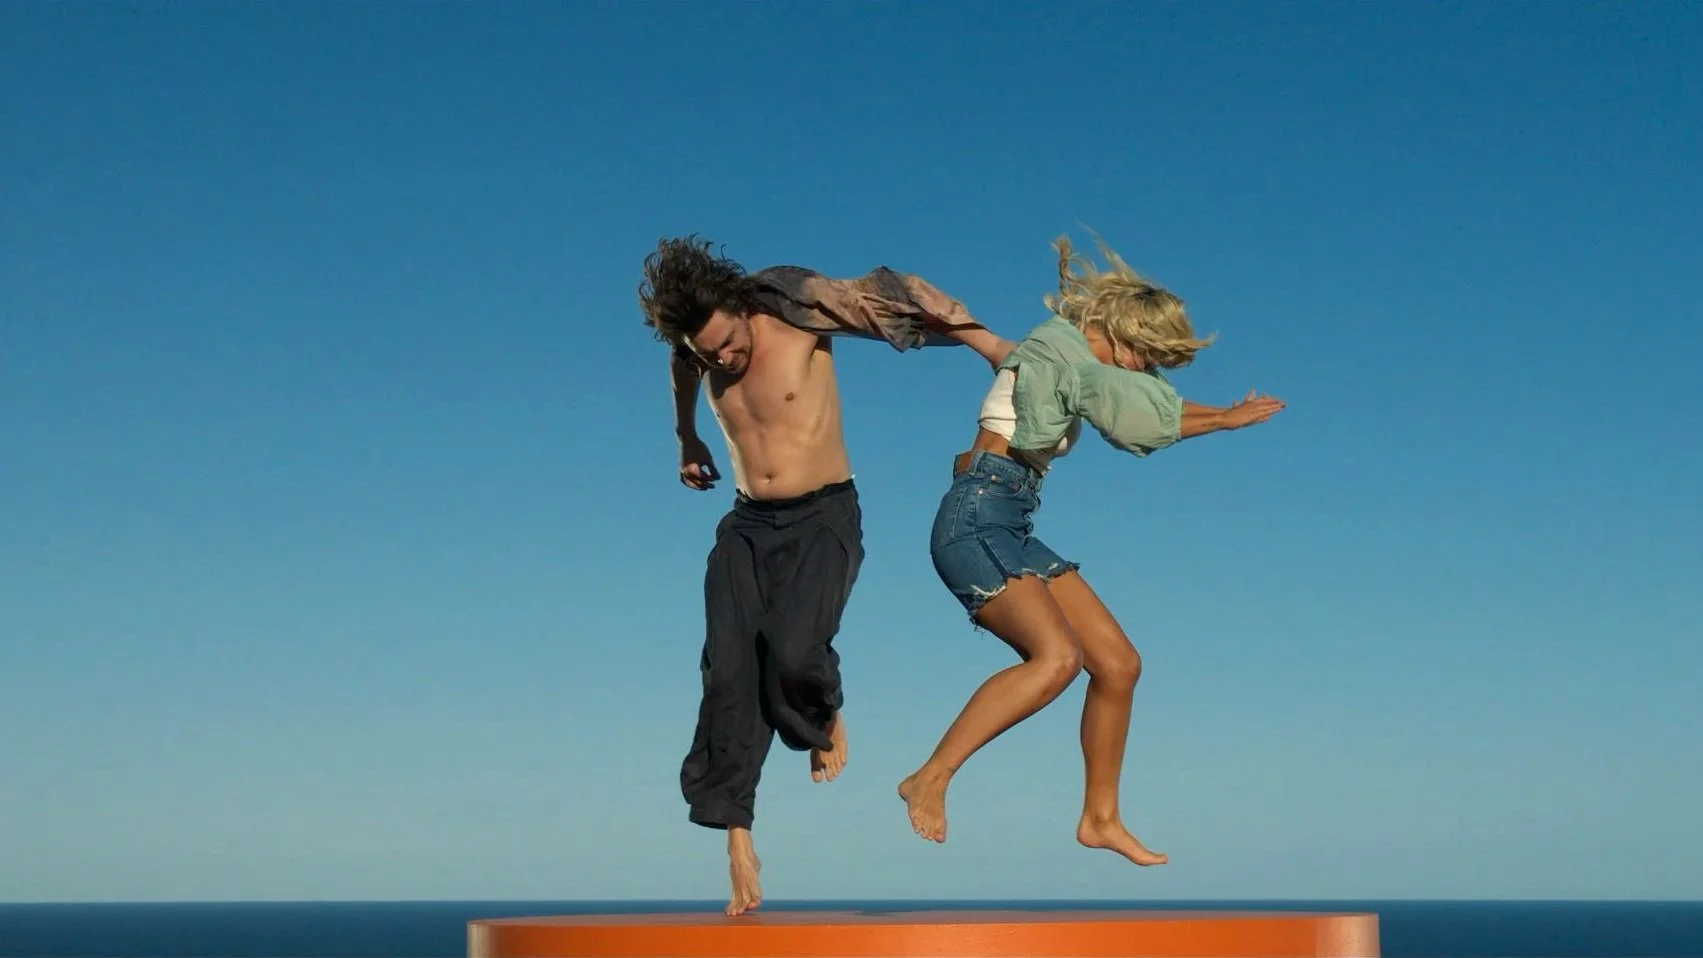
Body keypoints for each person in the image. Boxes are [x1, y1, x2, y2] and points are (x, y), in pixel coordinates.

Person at [637, 235, 1014, 917]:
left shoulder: (796, 310)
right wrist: (685, 436)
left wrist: (989, 347)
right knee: (727, 674)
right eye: (707, 354)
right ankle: (738, 841)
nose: (721, 360)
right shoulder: (696, 349)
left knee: (793, 654)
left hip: (821, 517)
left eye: (727, 344)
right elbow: (681, 366)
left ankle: (821, 712)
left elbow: (901, 295)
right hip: (746, 523)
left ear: (741, 310)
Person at [897, 234, 1285, 868]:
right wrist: (1222, 420)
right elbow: (1136, 419)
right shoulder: (1067, 364)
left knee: (1118, 664)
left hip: (1012, 520)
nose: (1144, 371)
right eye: (1146, 357)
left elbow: (1009, 353)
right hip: (975, 518)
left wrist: (959, 323)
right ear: (1124, 337)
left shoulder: (1053, 356)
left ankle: (1100, 819)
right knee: (1057, 659)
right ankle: (930, 776)